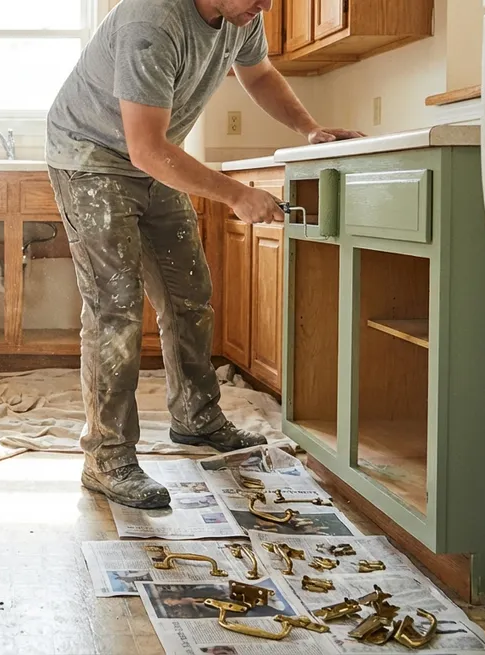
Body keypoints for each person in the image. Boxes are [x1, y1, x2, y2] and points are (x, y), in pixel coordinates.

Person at [46, 0, 364, 510]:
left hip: (150, 157)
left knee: (189, 294)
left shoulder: (242, 15)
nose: (265, 5)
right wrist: (236, 194)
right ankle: (106, 457)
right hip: (92, 159)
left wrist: (310, 128)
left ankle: (197, 417)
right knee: (116, 309)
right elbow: (146, 149)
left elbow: (258, 77)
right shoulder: (152, 22)